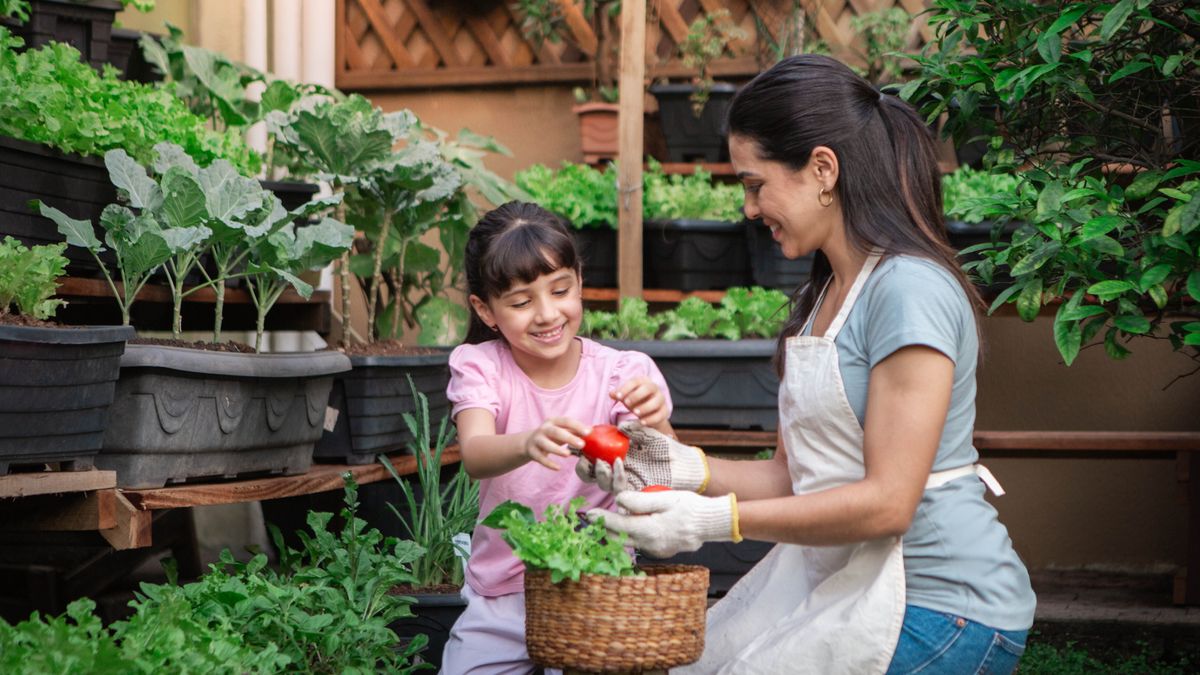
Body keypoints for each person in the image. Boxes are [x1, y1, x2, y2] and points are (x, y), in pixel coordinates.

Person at [578, 55, 1036, 674]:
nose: (748, 208)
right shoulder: (823, 296)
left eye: (755, 184)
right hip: (853, 584)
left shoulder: (910, 290)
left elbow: (889, 503)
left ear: (823, 170)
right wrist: (681, 467)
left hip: (940, 605)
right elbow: (794, 479)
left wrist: (710, 521)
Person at [441, 201, 679, 674]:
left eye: (560, 290)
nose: (547, 314)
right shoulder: (481, 366)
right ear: (486, 310)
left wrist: (657, 421)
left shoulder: (621, 372)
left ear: (580, 282)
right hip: (503, 593)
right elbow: (476, 453)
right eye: (521, 302)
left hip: (598, 584)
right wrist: (527, 442)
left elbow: (666, 470)